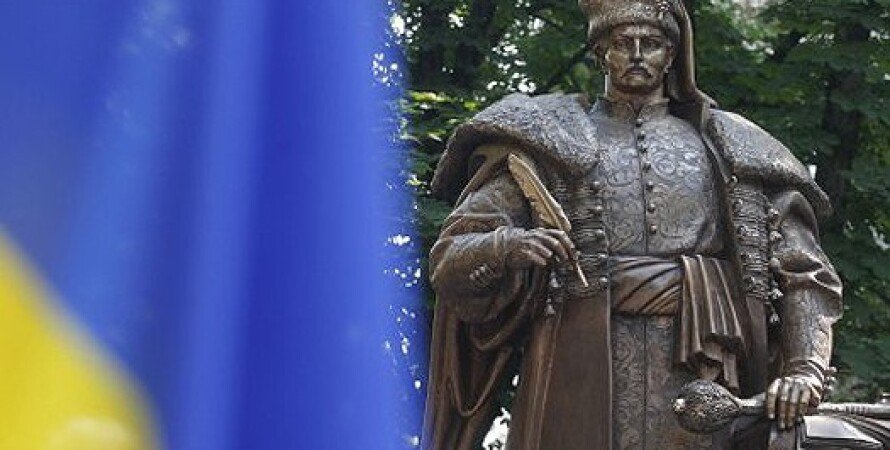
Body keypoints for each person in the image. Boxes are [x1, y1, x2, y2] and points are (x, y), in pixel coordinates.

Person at [422, 0, 843, 448]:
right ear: (601, 52)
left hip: (705, 366)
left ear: (671, 55)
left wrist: (804, 369)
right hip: (574, 361)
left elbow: (804, 270)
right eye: (624, 43)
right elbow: (449, 257)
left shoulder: (731, 147)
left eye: (653, 44)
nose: (638, 54)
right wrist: (506, 245)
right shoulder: (550, 141)